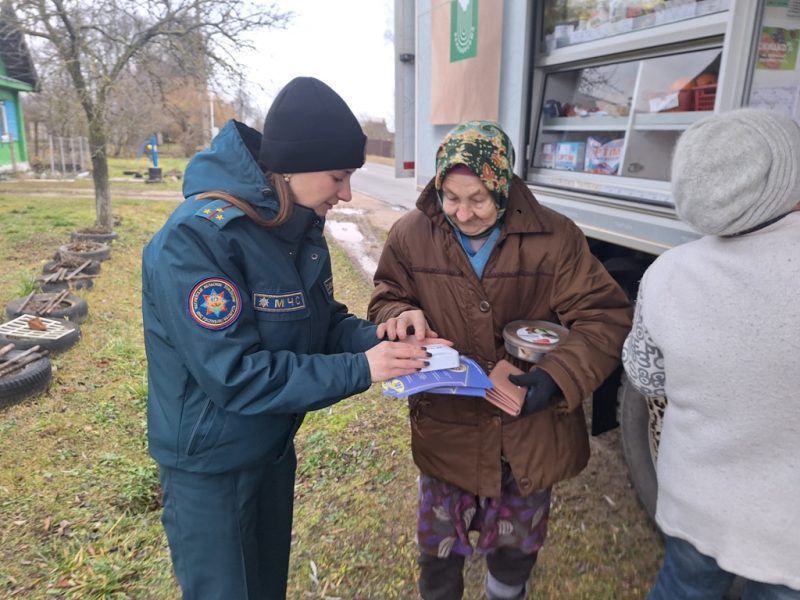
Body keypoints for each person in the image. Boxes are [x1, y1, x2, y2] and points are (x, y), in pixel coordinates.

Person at [141, 77, 434, 599]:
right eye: (339, 176)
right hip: (211, 466)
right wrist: (366, 367)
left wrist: (382, 335)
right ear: (294, 166)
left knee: (266, 585)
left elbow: (320, 325)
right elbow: (235, 375)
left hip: (270, 448)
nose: (346, 194)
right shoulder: (199, 238)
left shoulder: (292, 226)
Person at [368, 120, 632, 599]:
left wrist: (556, 376)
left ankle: (504, 592)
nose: (463, 213)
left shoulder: (556, 237)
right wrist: (399, 312)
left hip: (528, 423)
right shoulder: (411, 234)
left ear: (504, 186)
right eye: (451, 197)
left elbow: (604, 316)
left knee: (516, 545)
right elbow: (386, 293)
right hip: (448, 422)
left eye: (478, 199)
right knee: (439, 547)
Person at [622, 107, 800, 598]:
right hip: (789, 533)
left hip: (696, 502)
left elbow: (645, 376)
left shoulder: (668, 273)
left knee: (683, 587)